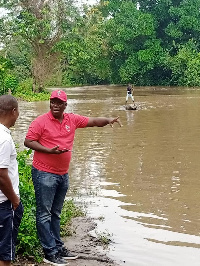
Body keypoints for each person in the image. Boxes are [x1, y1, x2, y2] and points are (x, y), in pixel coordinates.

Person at [24, 89, 122, 266]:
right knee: (44, 214)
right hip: (44, 174)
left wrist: (107, 120)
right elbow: (28, 141)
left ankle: (58, 246)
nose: (55, 105)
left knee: (56, 212)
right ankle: (49, 252)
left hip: (62, 174)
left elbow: (92, 122)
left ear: (65, 105)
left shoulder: (72, 119)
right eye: (52, 101)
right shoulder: (40, 121)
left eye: (59, 102)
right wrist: (49, 150)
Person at [0, 95, 23, 266]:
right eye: (18, 111)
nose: (19, 115)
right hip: (4, 203)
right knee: (4, 253)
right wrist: (14, 199)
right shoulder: (5, 139)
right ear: (13, 111)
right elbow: (1, 175)